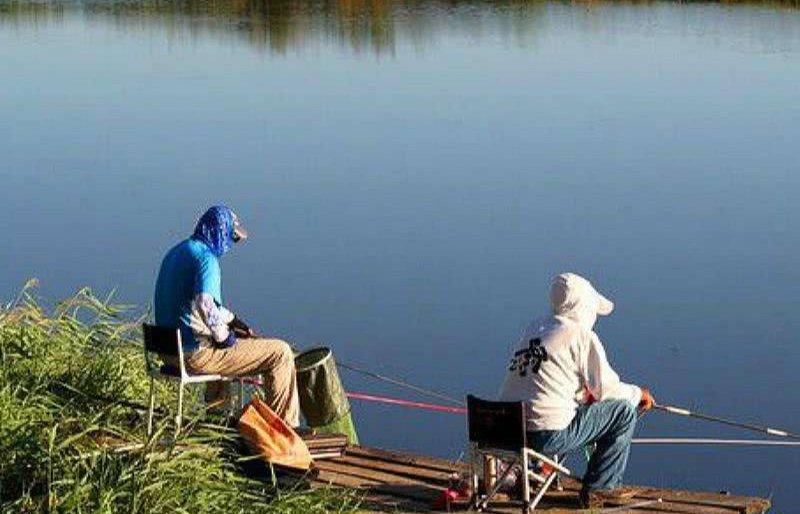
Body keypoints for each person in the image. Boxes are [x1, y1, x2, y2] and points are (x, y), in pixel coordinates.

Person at [499, 272, 655, 509]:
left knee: (581, 407)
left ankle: (541, 473)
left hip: (504, 432)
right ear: (584, 307)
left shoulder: (535, 328)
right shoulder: (581, 335)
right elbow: (607, 390)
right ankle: (601, 488)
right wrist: (639, 394)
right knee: (622, 411)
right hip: (545, 434)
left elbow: (545, 381)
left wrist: (581, 394)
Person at [154, 205, 300, 426]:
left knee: (219, 347)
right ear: (220, 232)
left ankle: (215, 424)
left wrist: (233, 321)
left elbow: (196, 303)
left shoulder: (176, 252)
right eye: (233, 237)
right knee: (281, 353)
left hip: (168, 352)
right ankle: (284, 431)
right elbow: (205, 302)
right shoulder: (206, 259)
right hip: (193, 356)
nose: (232, 244)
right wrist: (224, 337)